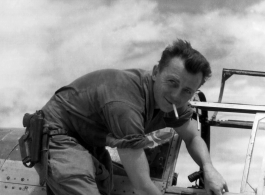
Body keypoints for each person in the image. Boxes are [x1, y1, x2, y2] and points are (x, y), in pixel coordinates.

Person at [40, 39, 228, 195]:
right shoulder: (125, 104)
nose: (176, 96)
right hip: (58, 133)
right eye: (172, 82)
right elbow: (142, 186)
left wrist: (208, 168)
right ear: (156, 72)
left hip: (89, 142)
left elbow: (192, 136)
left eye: (187, 91)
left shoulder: (174, 103)